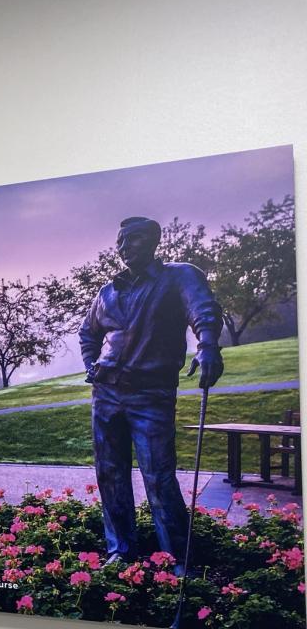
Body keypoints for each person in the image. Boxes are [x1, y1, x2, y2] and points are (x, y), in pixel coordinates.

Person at [79, 217, 224, 570]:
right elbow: (88, 333)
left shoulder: (179, 276)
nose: (124, 248)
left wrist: (208, 345)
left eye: (134, 239)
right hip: (106, 394)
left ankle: (178, 558)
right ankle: (121, 549)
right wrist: (91, 366)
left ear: (154, 241)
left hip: (151, 394)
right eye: (120, 241)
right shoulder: (106, 292)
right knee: (110, 474)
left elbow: (203, 310)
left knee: (158, 476)